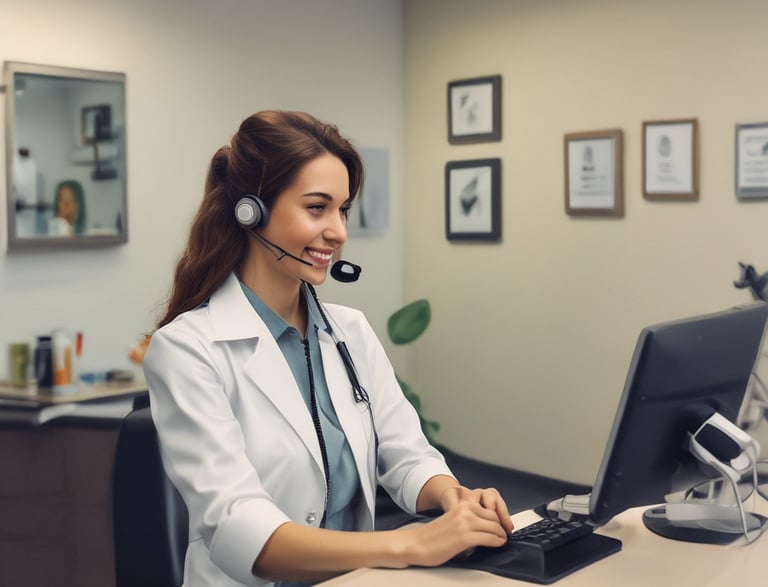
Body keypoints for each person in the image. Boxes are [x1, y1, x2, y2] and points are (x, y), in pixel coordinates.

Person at [143, 110, 513, 587]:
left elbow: (406, 456)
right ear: (250, 211)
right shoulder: (188, 350)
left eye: (342, 210)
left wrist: (453, 499)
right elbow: (242, 529)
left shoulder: (349, 331)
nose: (338, 231)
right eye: (317, 208)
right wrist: (413, 544)